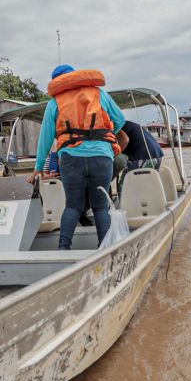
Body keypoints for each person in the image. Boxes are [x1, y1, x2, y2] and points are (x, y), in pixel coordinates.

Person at [35, 64, 125, 248]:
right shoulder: (99, 94)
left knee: (73, 206)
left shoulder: (55, 103)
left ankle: (63, 248)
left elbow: (45, 139)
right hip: (101, 156)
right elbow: (120, 120)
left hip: (70, 158)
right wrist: (104, 137)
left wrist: (38, 168)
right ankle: (105, 249)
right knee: (100, 206)